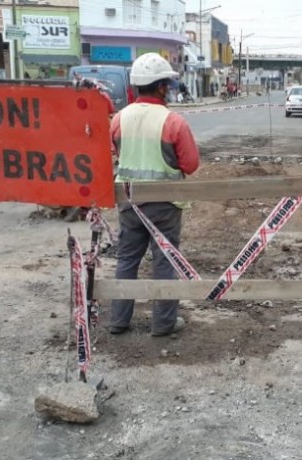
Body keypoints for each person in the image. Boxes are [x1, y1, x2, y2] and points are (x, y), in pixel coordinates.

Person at [107, 53, 200, 337]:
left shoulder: (118, 119)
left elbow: (116, 155)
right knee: (165, 262)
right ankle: (163, 324)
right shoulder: (173, 123)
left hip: (129, 203)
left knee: (127, 260)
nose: (169, 90)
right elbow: (190, 164)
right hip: (165, 205)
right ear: (160, 87)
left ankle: (119, 321)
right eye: (167, 85)